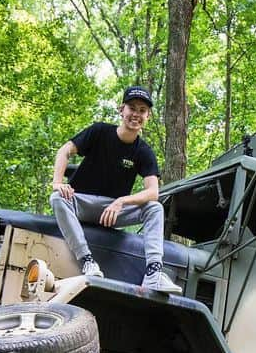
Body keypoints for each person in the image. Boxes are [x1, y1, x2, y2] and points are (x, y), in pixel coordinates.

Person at [50, 85, 181, 293]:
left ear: (148, 116)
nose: (136, 114)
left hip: (111, 211)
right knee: (57, 198)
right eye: (132, 108)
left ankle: (154, 273)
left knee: (154, 208)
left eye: (142, 110)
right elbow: (65, 150)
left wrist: (121, 201)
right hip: (82, 203)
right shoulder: (99, 131)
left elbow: (152, 192)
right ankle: (87, 261)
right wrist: (58, 182)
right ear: (122, 110)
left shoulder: (144, 151)